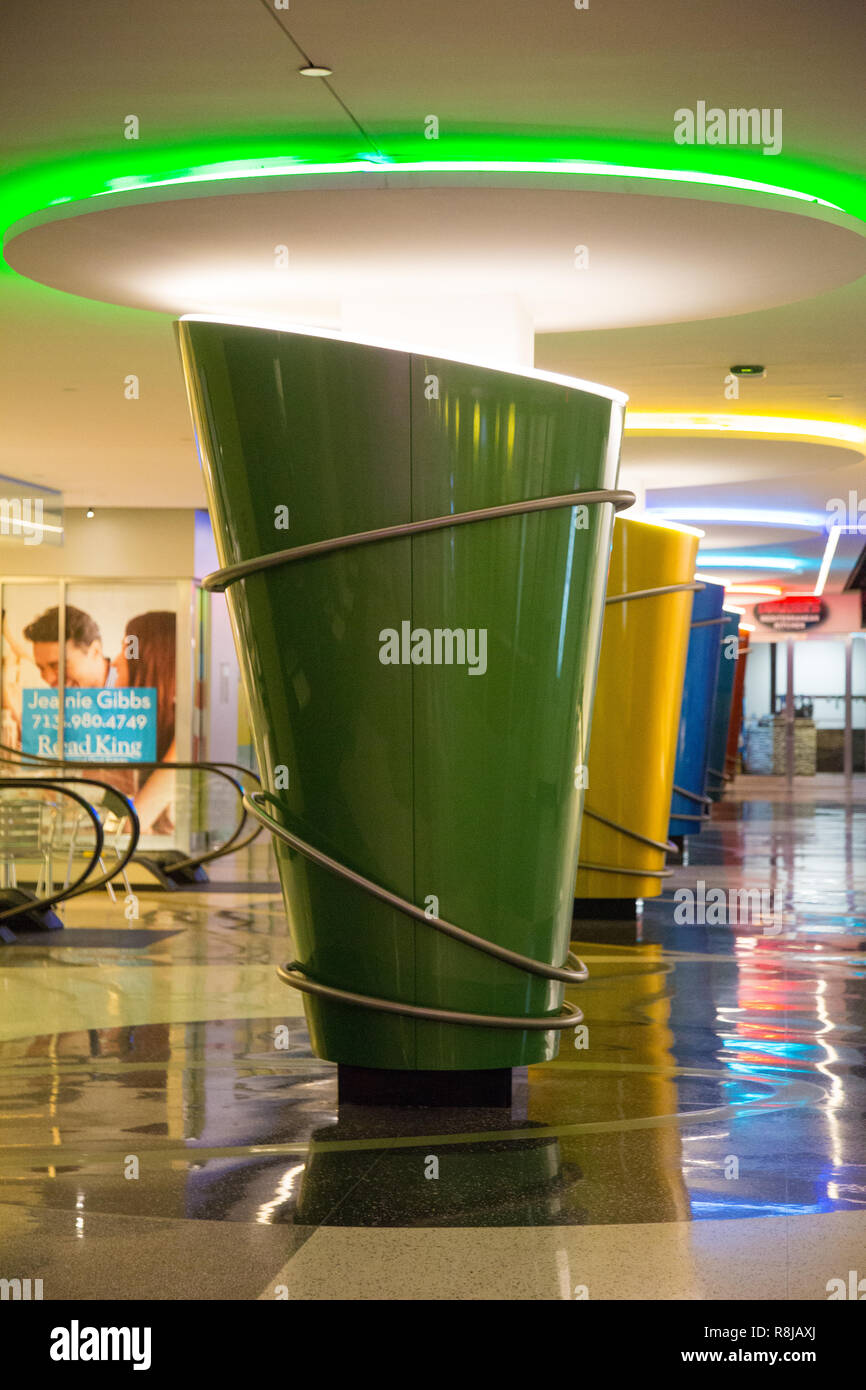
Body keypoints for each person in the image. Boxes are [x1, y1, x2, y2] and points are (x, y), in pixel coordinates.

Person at [112, 612, 177, 834]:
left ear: (150, 661)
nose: (115, 660)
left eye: (126, 650)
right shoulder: (147, 728)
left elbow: (134, 824)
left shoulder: (184, 736)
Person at [23, 605, 116, 689]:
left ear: (95, 651)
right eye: (41, 668)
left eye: (58, 666)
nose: (48, 679)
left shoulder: (128, 691)